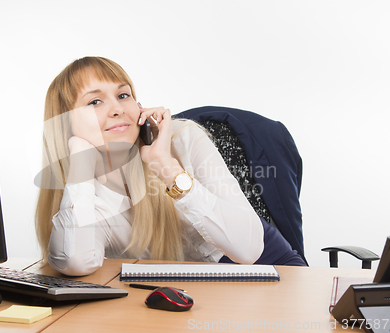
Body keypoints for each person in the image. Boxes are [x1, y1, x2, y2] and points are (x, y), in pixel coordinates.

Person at [35, 56, 304, 276]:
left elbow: (248, 250)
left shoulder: (183, 139)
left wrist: (166, 167)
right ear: (64, 124)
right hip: (191, 289)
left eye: (123, 95)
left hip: (267, 268)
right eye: (95, 101)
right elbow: (75, 262)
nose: (117, 108)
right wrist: (80, 163)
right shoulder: (86, 193)